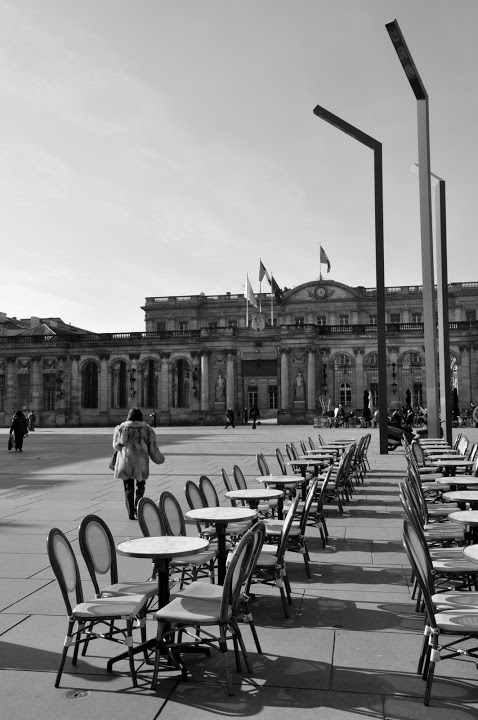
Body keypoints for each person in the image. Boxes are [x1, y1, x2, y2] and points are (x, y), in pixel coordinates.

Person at [113, 408, 165, 520]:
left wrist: (122, 442)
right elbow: (153, 448)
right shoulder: (147, 429)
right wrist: (160, 458)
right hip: (141, 463)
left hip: (126, 463)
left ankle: (130, 512)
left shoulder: (121, 428)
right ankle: (138, 506)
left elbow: (116, 446)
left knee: (128, 488)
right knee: (141, 486)